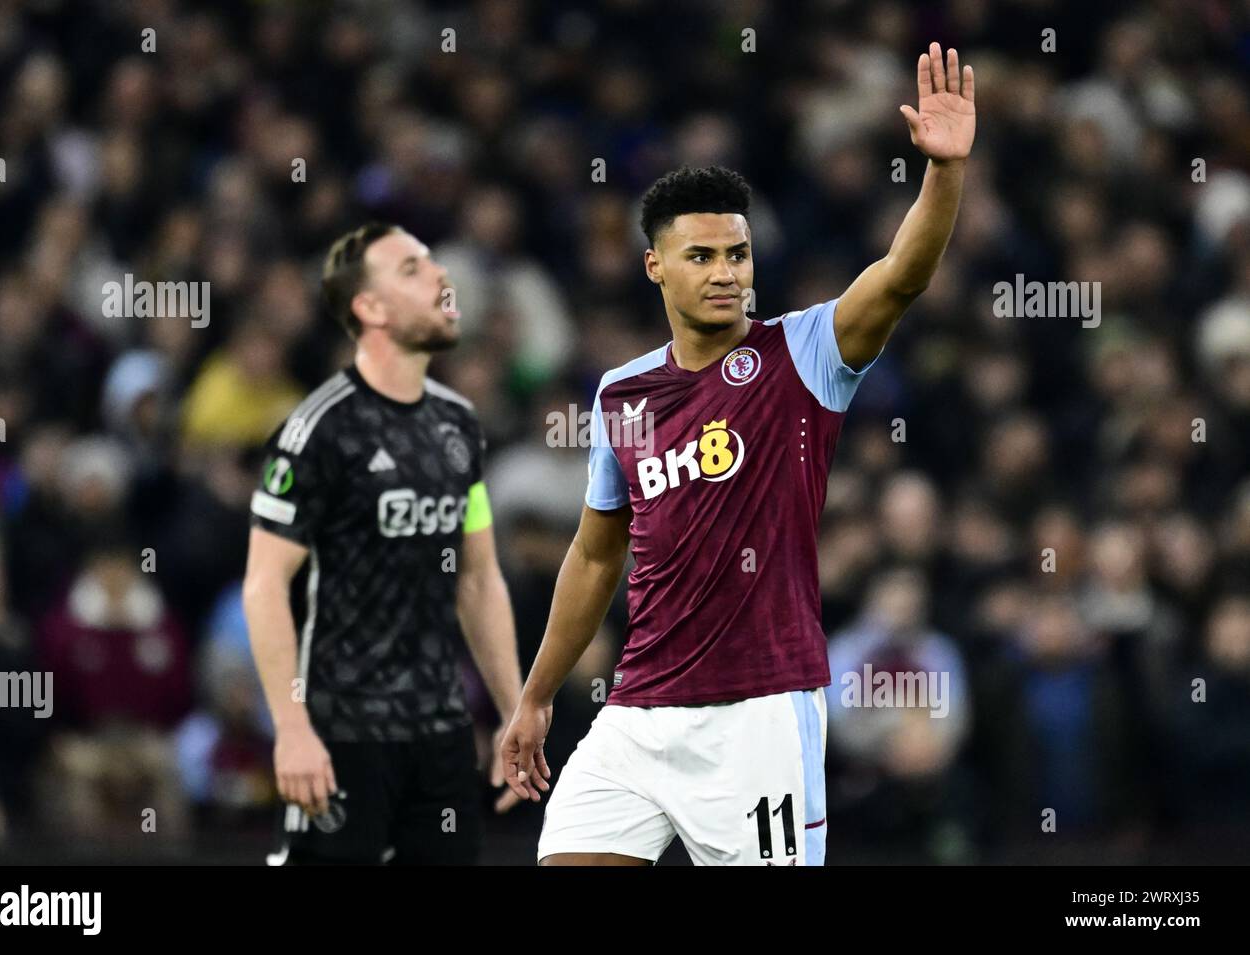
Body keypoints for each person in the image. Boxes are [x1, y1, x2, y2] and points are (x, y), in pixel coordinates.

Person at [501, 43, 976, 866]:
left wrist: (943, 173)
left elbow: (902, 274)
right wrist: (536, 695)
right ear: (654, 265)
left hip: (759, 714)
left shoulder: (803, 357)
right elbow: (593, 553)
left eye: (738, 254)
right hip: (639, 711)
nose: (727, 273)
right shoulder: (622, 395)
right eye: (702, 256)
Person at [243, 223, 523, 865]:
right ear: (369, 308)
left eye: (432, 262)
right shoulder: (316, 430)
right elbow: (264, 585)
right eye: (411, 270)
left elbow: (478, 578)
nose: (440, 276)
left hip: (443, 738)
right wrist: (291, 729)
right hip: (342, 737)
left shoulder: (459, 424)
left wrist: (512, 710)